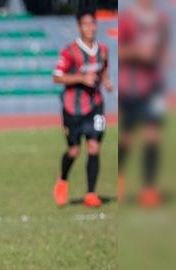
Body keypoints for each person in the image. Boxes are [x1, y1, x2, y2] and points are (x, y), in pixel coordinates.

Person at [52, 9, 113, 208]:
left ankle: (91, 194)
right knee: (74, 150)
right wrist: (81, 78)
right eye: (85, 24)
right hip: (72, 108)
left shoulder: (103, 49)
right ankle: (62, 180)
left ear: (96, 25)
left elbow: (104, 68)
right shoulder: (69, 51)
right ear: (79, 27)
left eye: (92, 24)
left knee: (94, 147)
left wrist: (106, 81)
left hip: (95, 105)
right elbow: (56, 77)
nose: (89, 28)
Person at [118, 0, 169, 207]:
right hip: (131, 86)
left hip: (154, 86)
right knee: (128, 138)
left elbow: (162, 48)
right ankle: (120, 178)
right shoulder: (128, 19)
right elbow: (119, 52)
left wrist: (162, 57)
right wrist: (137, 53)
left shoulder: (162, 20)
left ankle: (149, 189)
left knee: (153, 136)